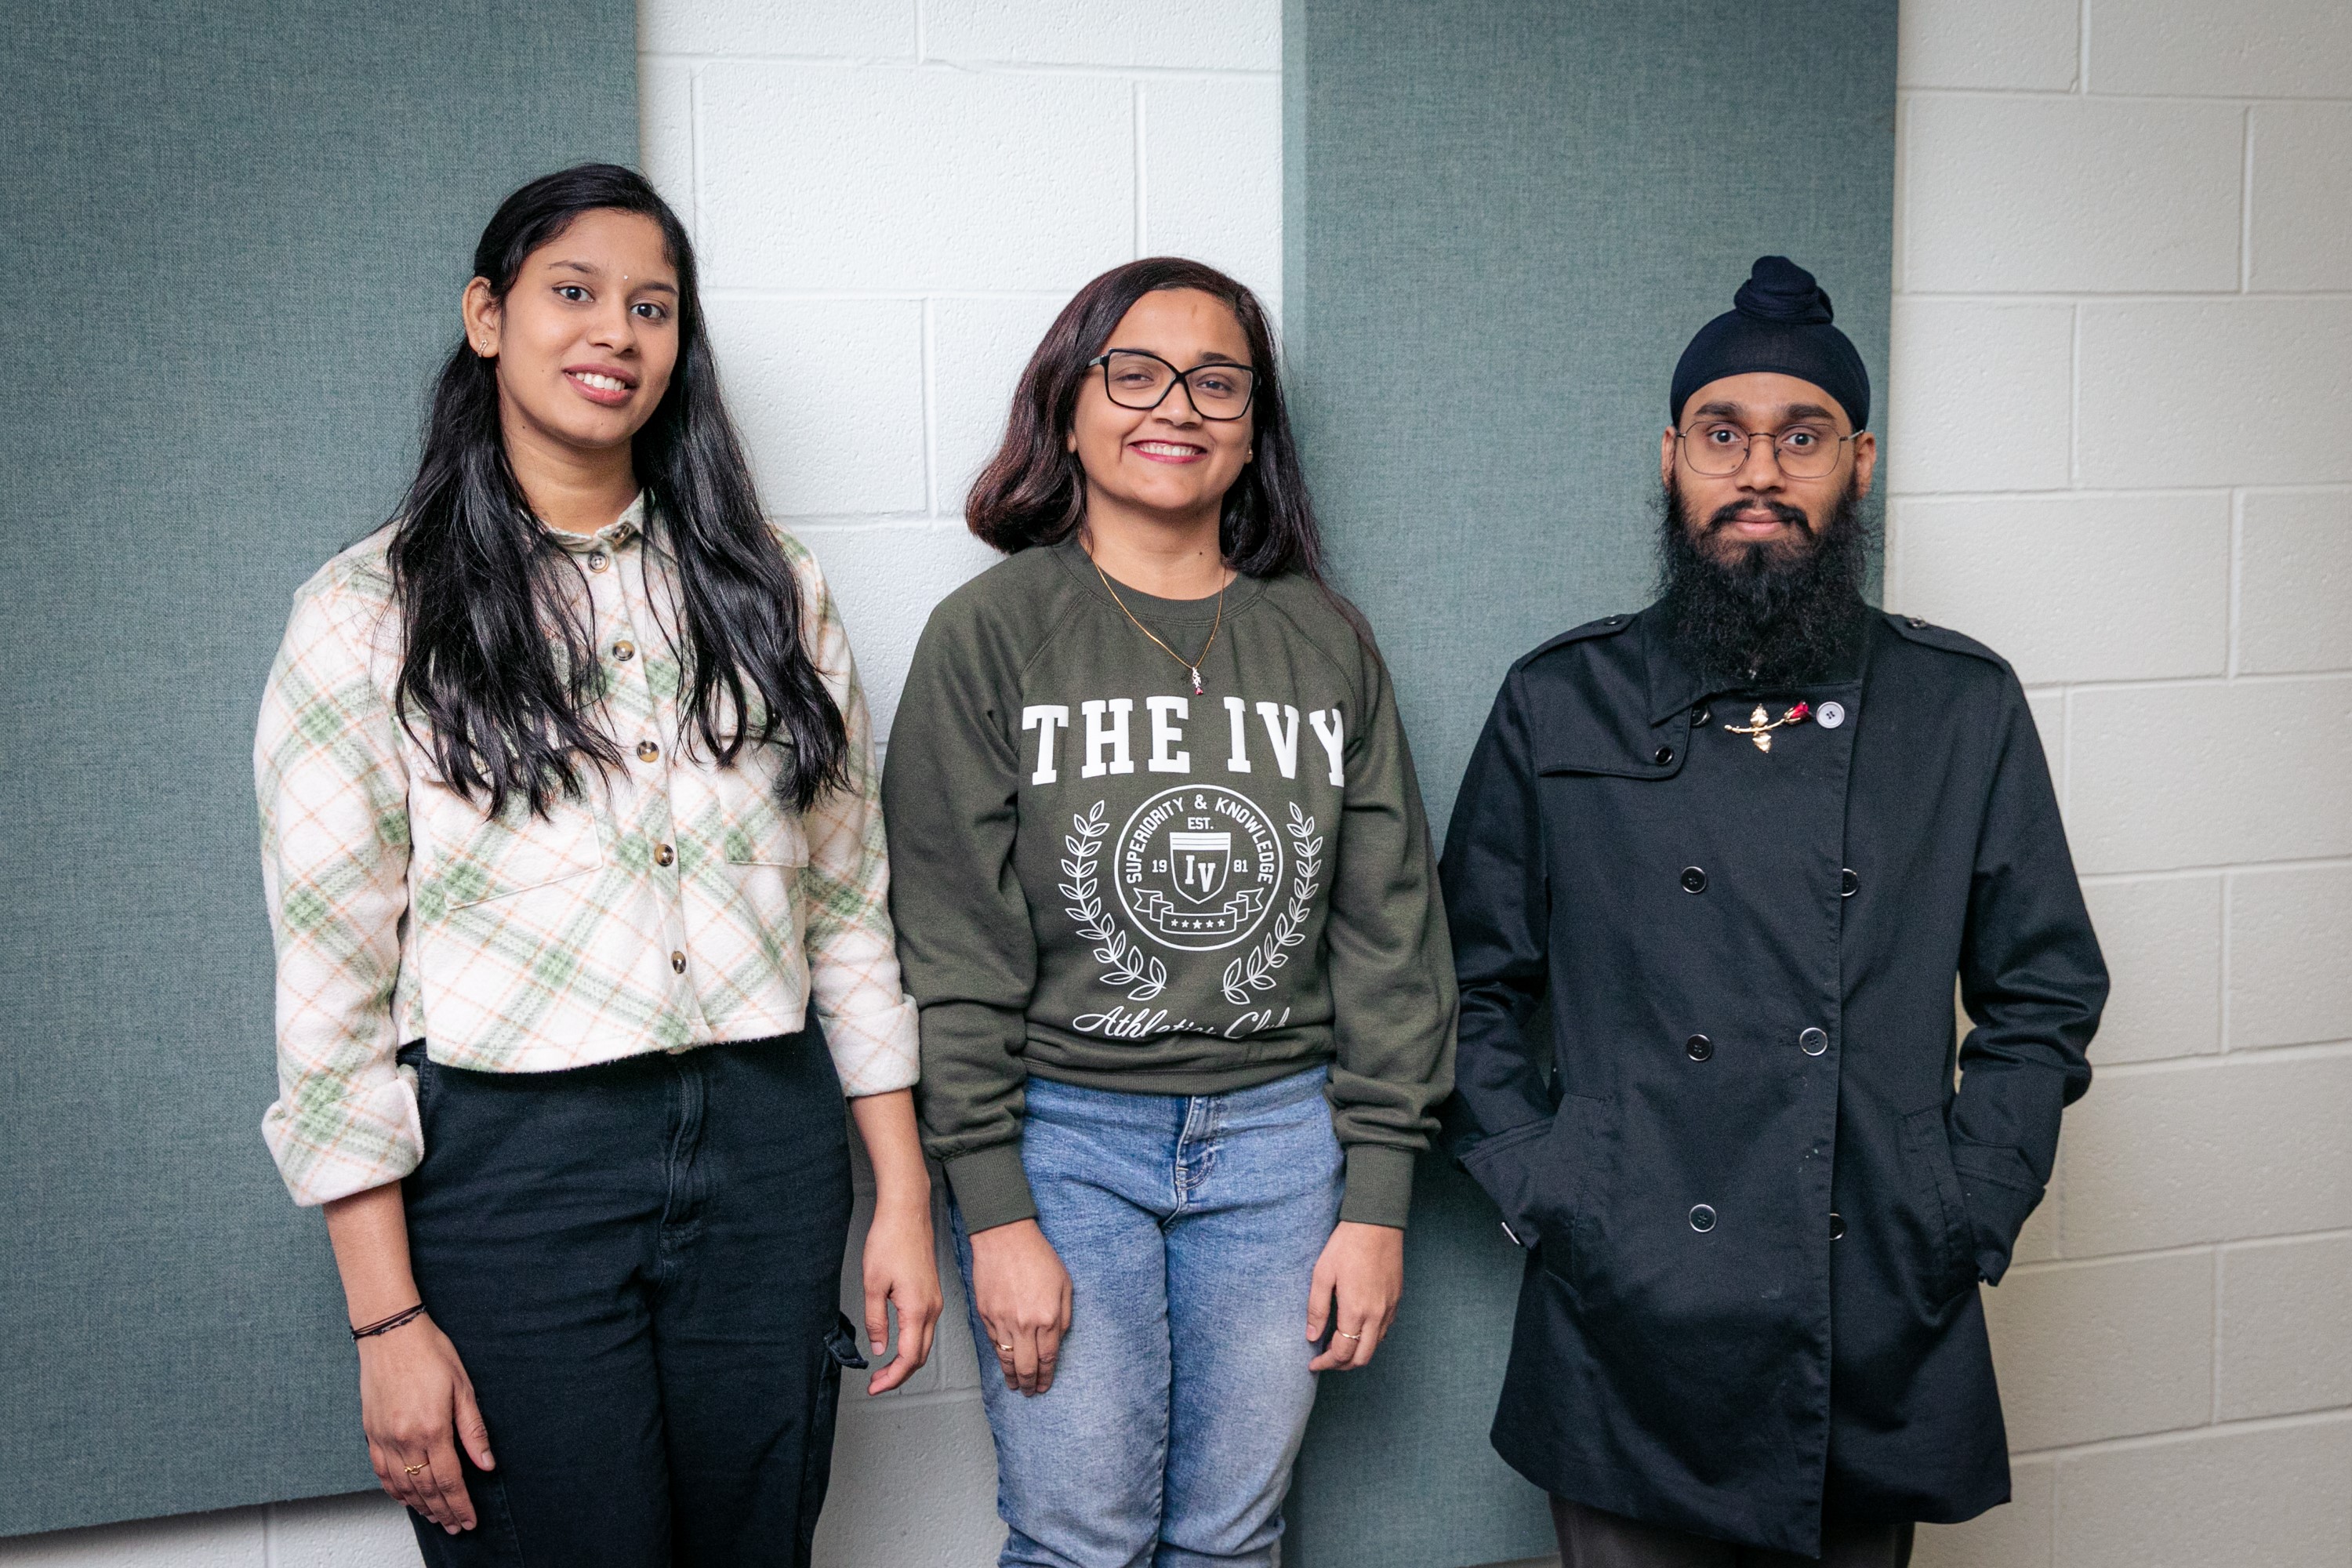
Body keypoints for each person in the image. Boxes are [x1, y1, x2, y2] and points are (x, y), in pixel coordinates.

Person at [254, 163, 940, 1567]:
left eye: (652, 307)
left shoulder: (773, 588)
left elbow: (846, 908)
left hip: (768, 1146)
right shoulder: (367, 614)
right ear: (488, 318)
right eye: (573, 293)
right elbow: (332, 994)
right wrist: (387, 1324)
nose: (614, 334)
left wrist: (904, 1199)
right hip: (516, 1171)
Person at [1442, 256, 2108, 1567]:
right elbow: (1462, 983)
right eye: (1723, 435)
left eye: (1800, 439)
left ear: (1858, 464)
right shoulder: (1558, 701)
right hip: (1625, 1311)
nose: (1761, 473)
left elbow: (2045, 988)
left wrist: (1970, 1196)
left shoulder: (1957, 707)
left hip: (1868, 1294)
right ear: (1673, 458)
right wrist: (1551, 1186)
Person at [882, 256, 1457, 1568]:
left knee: (1232, 1537)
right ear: (1068, 407)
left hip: (1282, 1144)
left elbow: (1390, 934)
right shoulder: (989, 634)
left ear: (1254, 429)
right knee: (1082, 1537)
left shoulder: (1324, 642)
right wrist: (998, 1209)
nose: (1175, 406)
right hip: (1061, 1139)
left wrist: (1377, 1199)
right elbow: (952, 949)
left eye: (1217, 381)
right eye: (1134, 372)